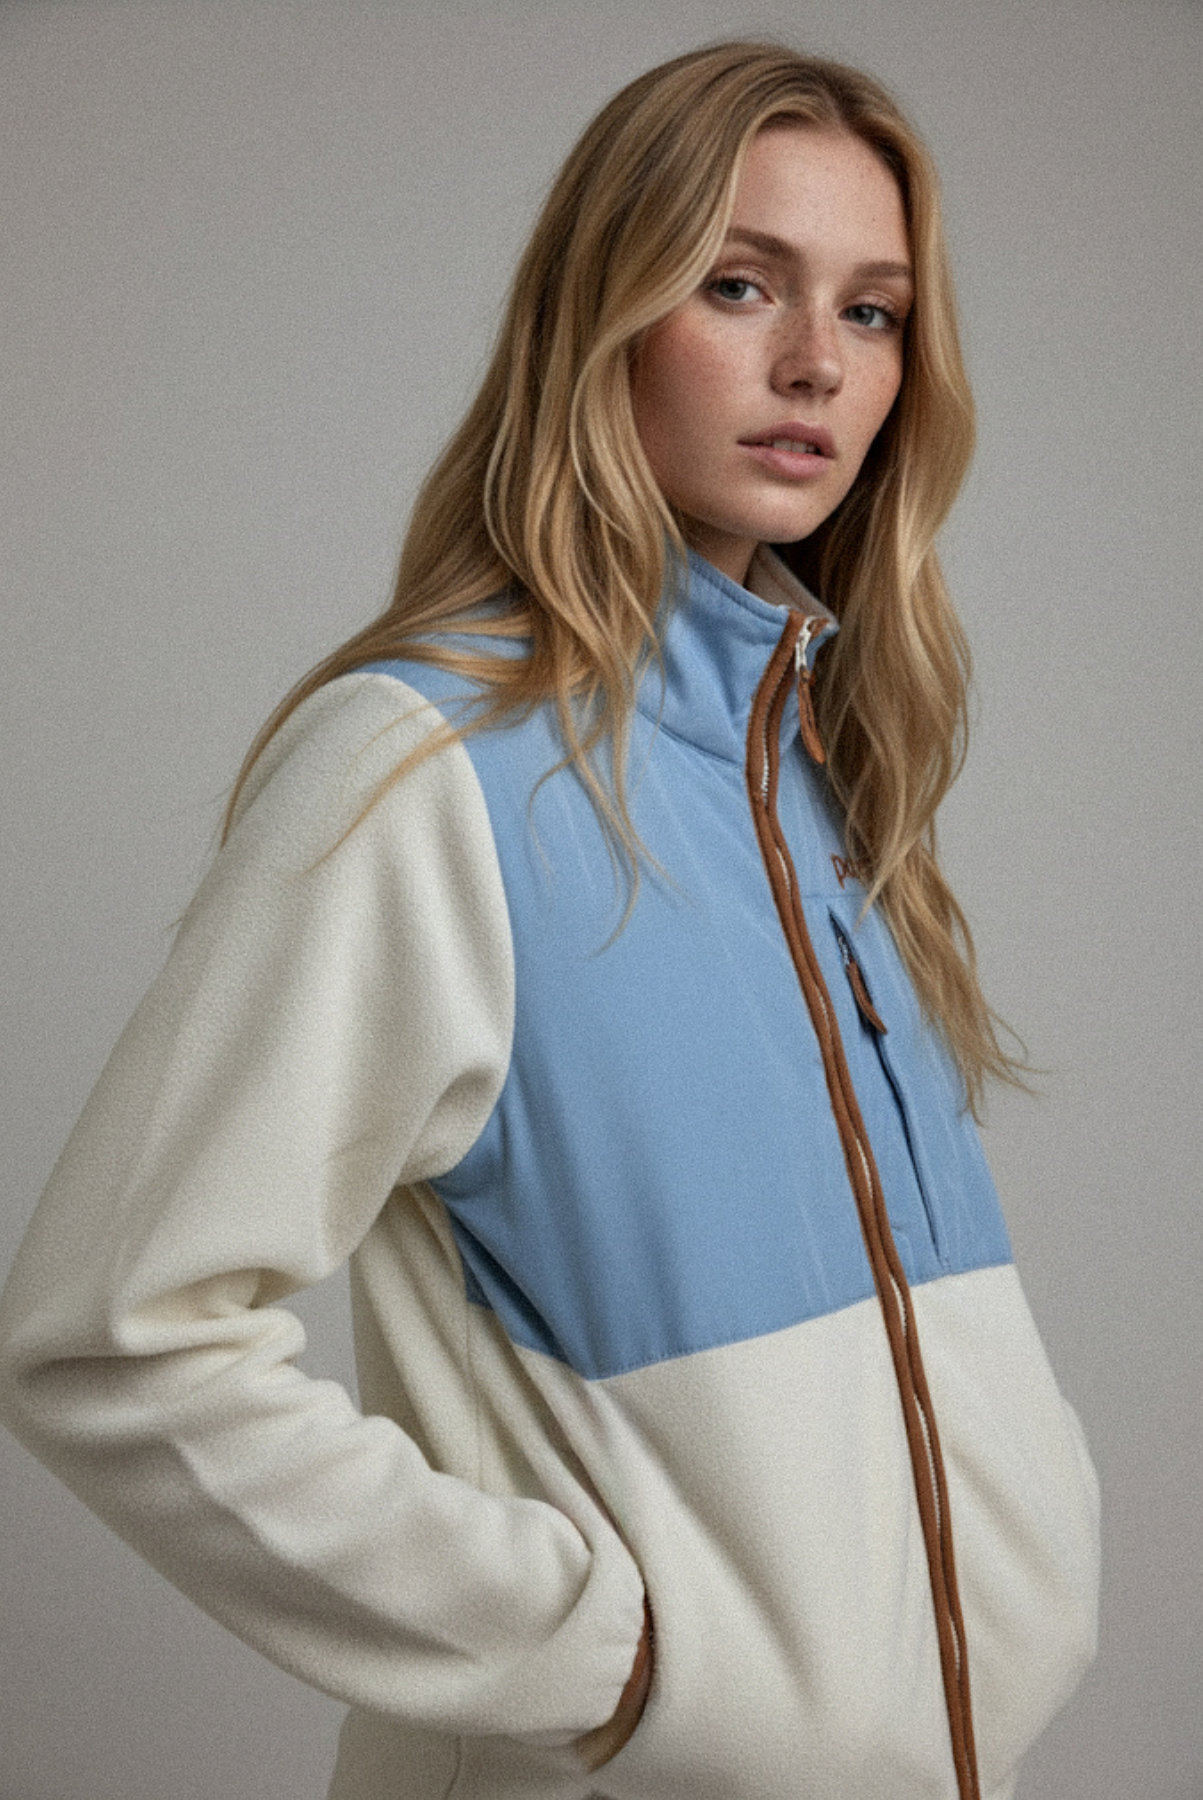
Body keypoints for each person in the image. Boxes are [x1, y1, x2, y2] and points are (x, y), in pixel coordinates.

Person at [0, 39, 1099, 1800]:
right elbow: (111, 1338)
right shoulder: (428, 769)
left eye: (874, 312)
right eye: (738, 285)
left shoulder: (819, 777)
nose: (817, 362)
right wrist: (612, 1663)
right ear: (606, 311)